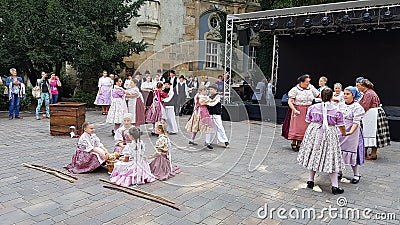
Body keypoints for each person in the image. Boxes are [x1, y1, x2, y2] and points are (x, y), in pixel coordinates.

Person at [297, 88, 347, 195]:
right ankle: (334, 186)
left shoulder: (313, 107)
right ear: (331, 97)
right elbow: (341, 125)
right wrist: (344, 133)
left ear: (320, 96)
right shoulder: (336, 110)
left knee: (314, 155)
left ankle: (310, 180)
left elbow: (308, 121)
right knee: (331, 157)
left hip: (314, 132)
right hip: (329, 133)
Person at [283, 74, 320, 151]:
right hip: (298, 109)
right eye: (306, 82)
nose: (308, 83)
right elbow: (290, 102)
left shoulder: (311, 88)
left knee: (305, 127)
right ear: (301, 82)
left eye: (308, 82)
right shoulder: (295, 90)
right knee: (297, 127)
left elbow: (319, 95)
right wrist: (294, 110)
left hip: (308, 110)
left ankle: (300, 142)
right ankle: (294, 141)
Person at [338, 86, 365, 184]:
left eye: (348, 94)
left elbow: (356, 122)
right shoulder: (340, 105)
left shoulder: (357, 107)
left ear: (353, 96)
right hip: (340, 131)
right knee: (339, 152)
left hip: (352, 133)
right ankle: (339, 172)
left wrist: (350, 132)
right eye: (344, 93)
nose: (345, 95)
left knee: (352, 152)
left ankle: (356, 174)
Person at [358, 79, 390, 160]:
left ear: (363, 86)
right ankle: (372, 153)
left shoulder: (368, 93)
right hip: (373, 114)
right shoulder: (370, 92)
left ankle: (370, 154)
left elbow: (364, 106)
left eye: (359, 86)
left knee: (369, 132)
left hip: (372, 115)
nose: (358, 88)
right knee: (373, 134)